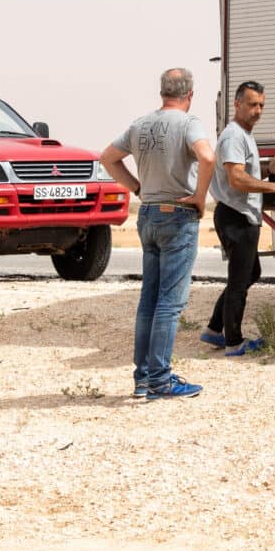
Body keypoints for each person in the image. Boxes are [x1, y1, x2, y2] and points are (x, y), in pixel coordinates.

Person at [99, 67, 216, 400]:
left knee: (148, 300)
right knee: (170, 302)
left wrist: (136, 188)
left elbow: (108, 158)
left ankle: (143, 378)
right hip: (177, 216)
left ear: (163, 92)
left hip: (148, 215)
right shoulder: (189, 124)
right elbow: (207, 157)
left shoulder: (140, 124)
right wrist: (199, 196)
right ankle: (162, 381)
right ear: (190, 95)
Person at [202, 80, 275, 356]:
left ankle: (213, 329)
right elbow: (237, 179)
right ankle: (233, 342)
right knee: (239, 280)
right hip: (236, 217)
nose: (257, 110)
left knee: (249, 273)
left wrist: (269, 167)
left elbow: (244, 171)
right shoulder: (234, 135)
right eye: (252, 104)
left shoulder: (244, 134)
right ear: (237, 104)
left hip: (239, 216)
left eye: (261, 105)